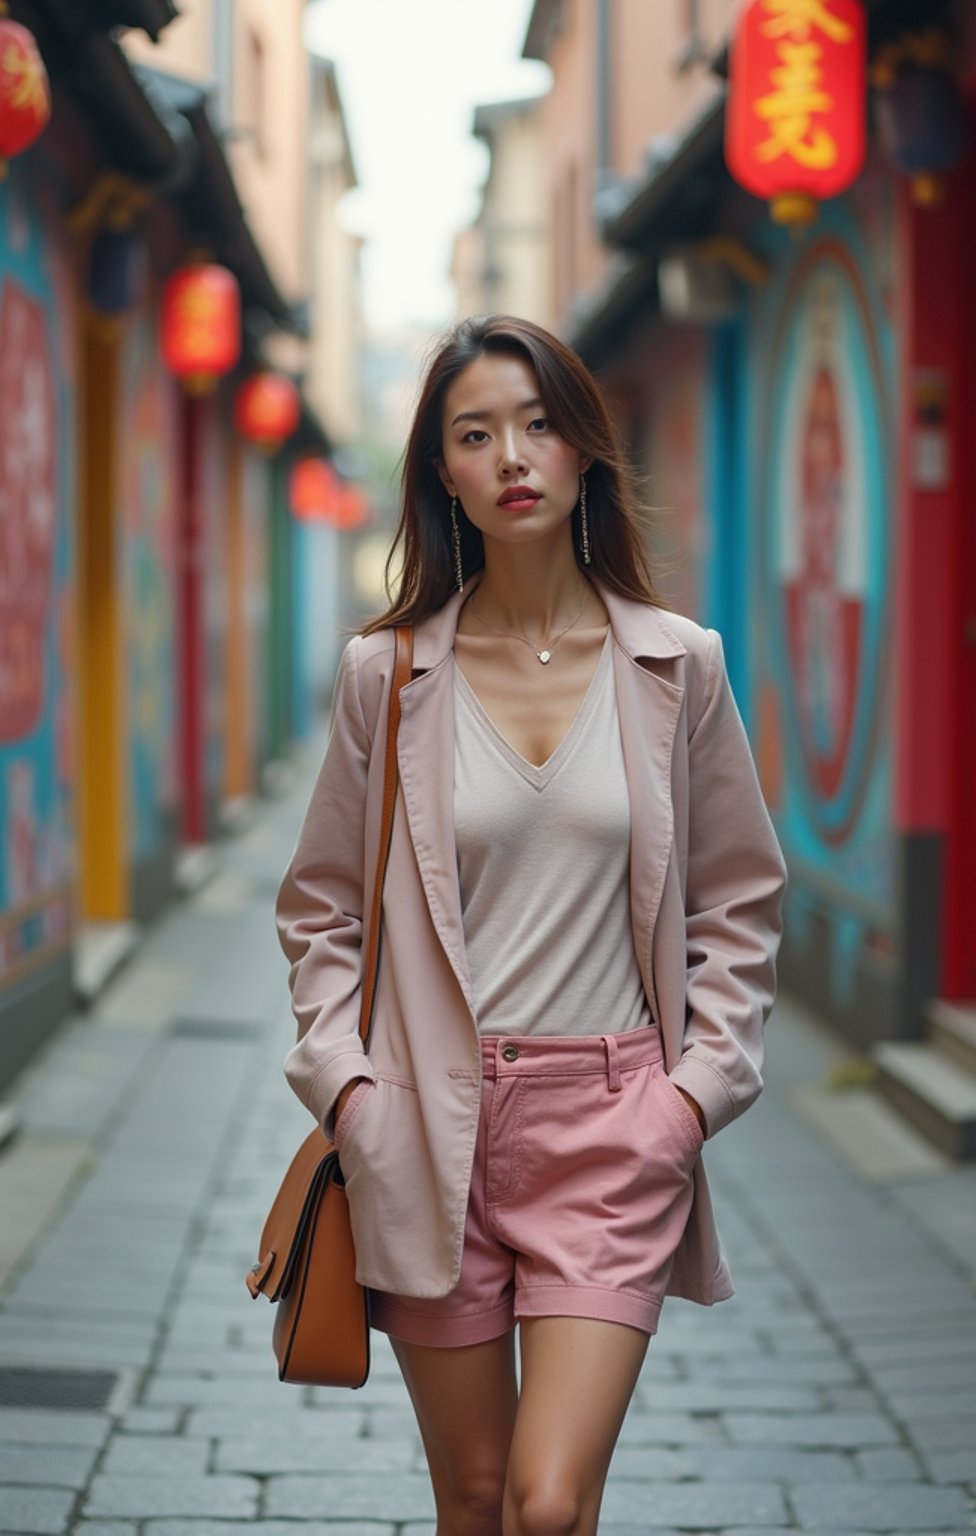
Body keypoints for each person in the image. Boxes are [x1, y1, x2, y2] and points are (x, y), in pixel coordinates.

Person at [276, 314, 787, 1536]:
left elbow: (740, 902)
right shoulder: (386, 676)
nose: (512, 454)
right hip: (429, 1127)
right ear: (443, 472)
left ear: (582, 453)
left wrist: (689, 1097)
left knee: (548, 1503)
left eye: (537, 423)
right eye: (475, 433)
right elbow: (322, 910)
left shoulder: (678, 668)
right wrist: (350, 1091)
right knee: (471, 1495)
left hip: (613, 1126)